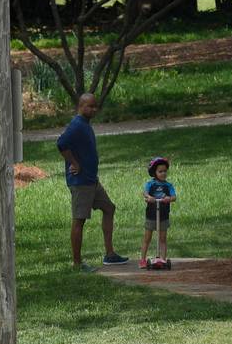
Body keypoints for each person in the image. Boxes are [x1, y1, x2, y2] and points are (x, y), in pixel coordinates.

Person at [56, 94, 127, 271]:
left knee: (109, 208)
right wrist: (73, 163)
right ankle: (77, 264)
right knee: (79, 220)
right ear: (81, 106)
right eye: (90, 106)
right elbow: (61, 143)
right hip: (81, 183)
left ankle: (110, 255)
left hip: (91, 180)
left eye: (96, 107)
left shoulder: (85, 124)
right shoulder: (77, 125)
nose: (94, 110)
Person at [140, 157, 177, 269]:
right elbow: (145, 193)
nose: (163, 173)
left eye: (165, 171)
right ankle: (142, 260)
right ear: (154, 172)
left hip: (163, 215)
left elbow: (174, 197)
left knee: (162, 238)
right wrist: (149, 197)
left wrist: (168, 198)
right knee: (147, 238)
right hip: (151, 215)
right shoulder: (150, 184)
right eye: (160, 171)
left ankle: (163, 259)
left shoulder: (168, 185)